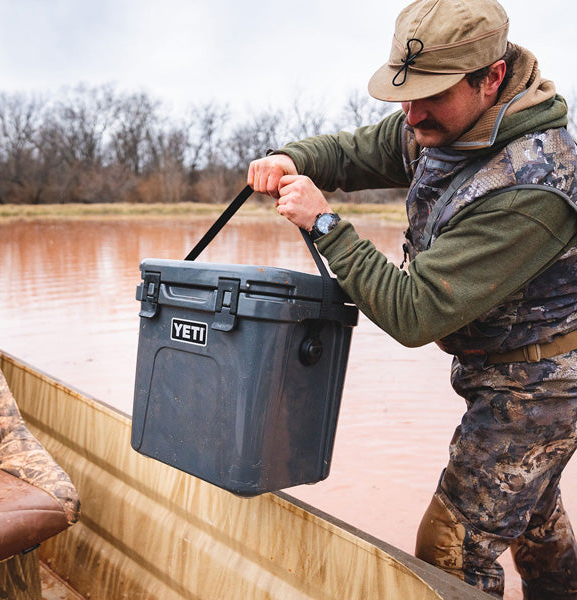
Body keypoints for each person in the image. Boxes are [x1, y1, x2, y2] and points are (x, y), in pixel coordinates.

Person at [246, 0, 577, 598]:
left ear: (491, 79)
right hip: (499, 365)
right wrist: (292, 157)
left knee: (450, 548)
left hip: (544, 385)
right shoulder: (444, 123)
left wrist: (327, 228)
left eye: (432, 93)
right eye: (406, 90)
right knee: (532, 516)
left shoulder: (534, 184)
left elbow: (413, 312)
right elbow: (354, 151)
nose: (412, 111)